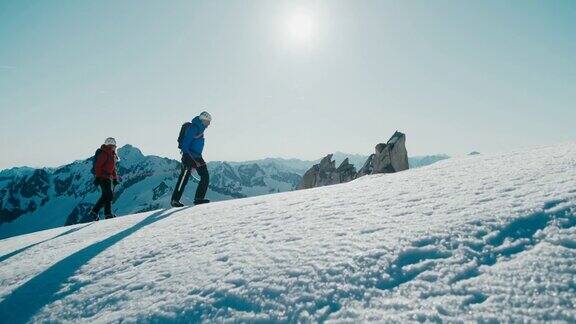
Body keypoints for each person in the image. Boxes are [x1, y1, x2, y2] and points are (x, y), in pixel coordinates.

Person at [171, 111, 212, 207]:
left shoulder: (200, 128)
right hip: (189, 156)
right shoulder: (194, 128)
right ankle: (175, 200)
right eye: (208, 121)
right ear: (203, 120)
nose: (209, 124)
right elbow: (185, 144)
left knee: (205, 176)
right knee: (184, 178)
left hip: (198, 156)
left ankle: (199, 198)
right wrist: (189, 158)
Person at [89, 137, 120, 220]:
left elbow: (113, 168)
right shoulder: (104, 153)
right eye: (113, 145)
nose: (115, 147)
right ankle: (104, 213)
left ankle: (99, 212)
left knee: (106, 195)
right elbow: (98, 166)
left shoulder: (112, 154)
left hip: (107, 177)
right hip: (102, 177)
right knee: (108, 195)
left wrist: (114, 178)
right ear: (110, 145)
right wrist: (98, 177)